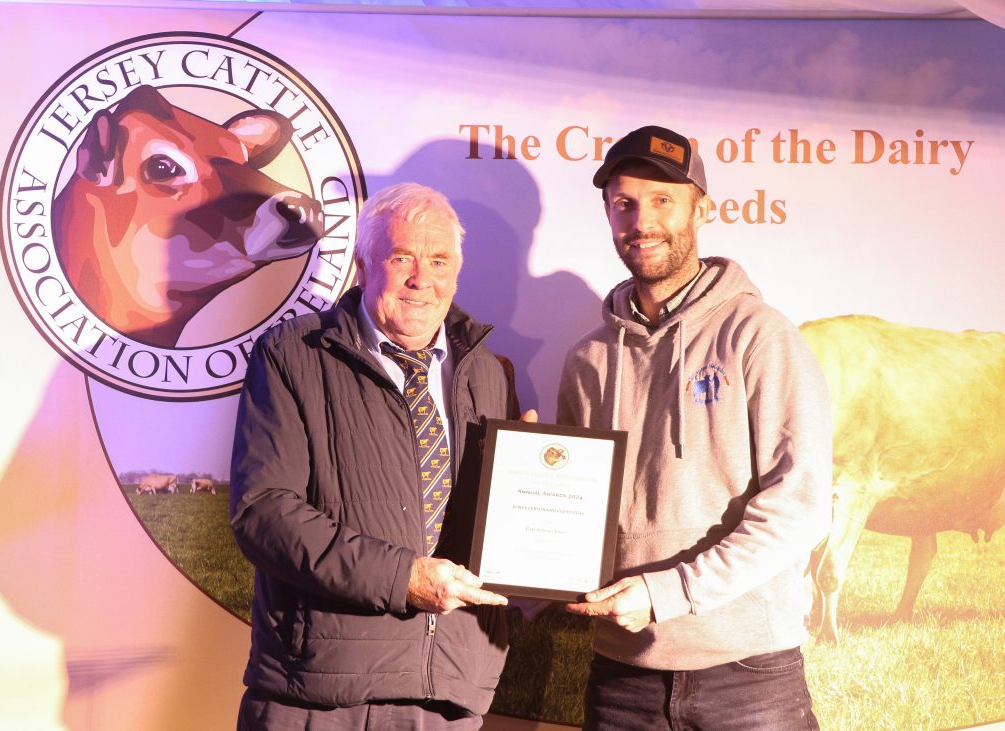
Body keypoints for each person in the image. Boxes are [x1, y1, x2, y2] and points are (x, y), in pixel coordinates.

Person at [558, 125, 832, 730]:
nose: (642, 221)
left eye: (663, 200)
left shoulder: (759, 336)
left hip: (749, 678)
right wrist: (530, 478)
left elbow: (801, 508)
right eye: (624, 203)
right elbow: (578, 516)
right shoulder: (588, 360)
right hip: (622, 676)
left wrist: (668, 593)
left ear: (701, 210)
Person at [230, 182, 529, 730]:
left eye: (439, 261)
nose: (422, 279)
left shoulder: (487, 373)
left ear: (457, 273)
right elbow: (263, 511)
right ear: (364, 267)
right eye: (402, 258)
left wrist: (527, 484)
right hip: (318, 693)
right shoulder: (293, 353)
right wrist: (401, 578)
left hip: (445, 695)